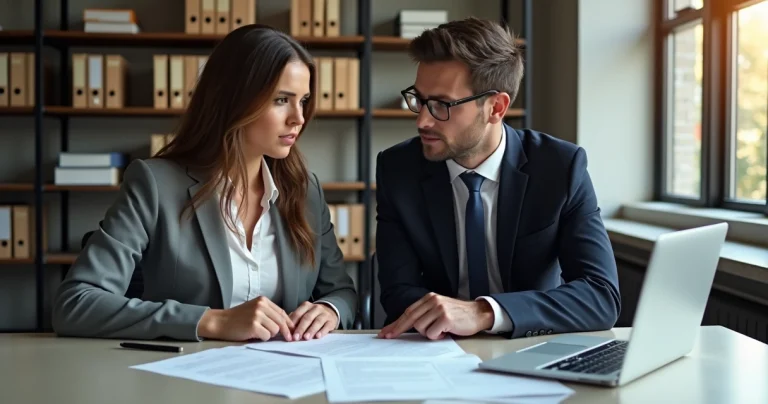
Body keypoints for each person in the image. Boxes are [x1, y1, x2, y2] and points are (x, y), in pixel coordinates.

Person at [52, 25, 357, 342]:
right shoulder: (155, 184)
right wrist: (211, 322)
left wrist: (330, 310)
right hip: (189, 381)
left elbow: (341, 291)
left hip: (288, 379)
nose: (299, 117)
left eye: (303, 100)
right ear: (235, 99)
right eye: (282, 99)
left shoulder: (305, 190)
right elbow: (75, 303)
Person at [375, 17, 620, 341]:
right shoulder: (398, 169)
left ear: (496, 107)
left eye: (441, 105)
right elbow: (397, 292)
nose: (422, 119)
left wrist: (484, 312)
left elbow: (601, 296)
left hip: (531, 343)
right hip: (438, 348)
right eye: (419, 99)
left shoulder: (560, 167)